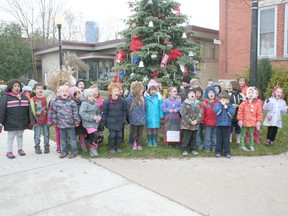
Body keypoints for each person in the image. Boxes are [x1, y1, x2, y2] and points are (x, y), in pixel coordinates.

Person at [0, 79, 34, 159]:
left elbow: (29, 111)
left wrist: (30, 122)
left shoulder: (24, 97)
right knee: (11, 137)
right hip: (10, 122)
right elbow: (2, 110)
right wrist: (1, 123)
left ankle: (20, 149)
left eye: (18, 86)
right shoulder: (6, 98)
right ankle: (9, 151)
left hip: (22, 122)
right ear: (10, 87)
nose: (17, 88)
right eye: (15, 86)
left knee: (20, 135)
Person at [52, 86, 81, 159]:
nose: (64, 93)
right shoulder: (56, 102)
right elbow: (54, 113)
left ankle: (74, 151)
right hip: (61, 125)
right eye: (63, 91)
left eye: (66, 91)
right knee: (63, 139)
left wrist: (77, 121)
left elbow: (75, 113)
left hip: (70, 124)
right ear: (60, 93)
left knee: (72, 139)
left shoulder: (72, 102)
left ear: (69, 93)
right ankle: (64, 151)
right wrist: (55, 121)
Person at [102, 82, 127, 153]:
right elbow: (104, 113)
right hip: (110, 122)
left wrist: (124, 119)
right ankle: (111, 147)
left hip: (119, 121)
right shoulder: (107, 102)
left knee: (119, 135)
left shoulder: (123, 101)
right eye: (115, 91)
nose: (117, 92)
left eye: (118, 91)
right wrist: (104, 121)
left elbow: (124, 111)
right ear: (110, 92)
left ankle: (118, 147)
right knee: (112, 135)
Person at [237, 87, 263, 151]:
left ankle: (251, 145)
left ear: (254, 94)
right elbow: (240, 112)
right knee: (243, 134)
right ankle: (242, 145)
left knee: (251, 134)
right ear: (247, 94)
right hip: (244, 122)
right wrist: (240, 120)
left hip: (252, 122)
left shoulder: (257, 104)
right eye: (249, 92)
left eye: (252, 93)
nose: (251, 94)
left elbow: (259, 113)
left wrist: (258, 121)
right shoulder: (243, 103)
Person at [180, 88, 203, 156]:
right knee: (186, 137)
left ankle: (193, 149)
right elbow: (183, 113)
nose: (192, 94)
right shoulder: (185, 103)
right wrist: (190, 121)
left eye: (193, 93)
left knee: (194, 137)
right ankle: (184, 149)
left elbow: (201, 112)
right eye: (190, 93)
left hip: (195, 124)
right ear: (187, 95)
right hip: (186, 124)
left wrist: (197, 120)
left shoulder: (198, 103)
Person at [79, 89, 102, 157]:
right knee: (96, 135)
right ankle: (93, 148)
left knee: (93, 136)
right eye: (90, 96)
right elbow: (82, 113)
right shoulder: (84, 103)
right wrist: (92, 117)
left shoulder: (95, 103)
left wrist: (98, 117)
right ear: (86, 97)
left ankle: (91, 150)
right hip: (88, 123)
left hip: (95, 123)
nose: (92, 97)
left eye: (93, 96)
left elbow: (98, 112)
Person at [213, 91, 235, 158]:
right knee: (219, 139)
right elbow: (215, 111)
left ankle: (227, 152)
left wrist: (227, 108)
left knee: (226, 140)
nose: (225, 101)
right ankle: (218, 152)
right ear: (220, 100)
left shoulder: (230, 106)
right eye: (223, 99)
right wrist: (222, 107)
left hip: (227, 125)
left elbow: (232, 113)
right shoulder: (217, 105)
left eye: (226, 100)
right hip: (219, 125)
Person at [30, 83, 51, 154]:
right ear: (34, 91)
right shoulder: (32, 100)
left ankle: (47, 147)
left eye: (41, 88)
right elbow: (30, 112)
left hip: (45, 121)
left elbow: (50, 111)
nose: (40, 90)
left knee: (46, 134)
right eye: (38, 88)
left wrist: (50, 120)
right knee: (37, 135)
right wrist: (33, 122)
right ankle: (37, 147)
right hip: (37, 122)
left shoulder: (47, 99)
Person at [126, 81, 146, 150]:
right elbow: (128, 109)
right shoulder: (130, 99)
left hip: (142, 120)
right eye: (141, 90)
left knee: (140, 133)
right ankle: (134, 142)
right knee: (134, 133)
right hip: (134, 120)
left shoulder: (143, 98)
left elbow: (146, 107)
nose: (142, 91)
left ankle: (139, 144)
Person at [145, 79, 164, 147]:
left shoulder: (158, 97)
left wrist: (161, 114)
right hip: (149, 115)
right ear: (149, 90)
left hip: (156, 115)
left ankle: (154, 140)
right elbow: (144, 107)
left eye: (154, 89)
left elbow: (160, 106)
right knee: (149, 128)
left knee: (155, 128)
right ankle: (150, 140)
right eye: (151, 89)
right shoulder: (145, 97)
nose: (153, 91)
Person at [69, 86, 88, 152]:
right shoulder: (71, 102)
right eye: (76, 94)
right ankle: (73, 146)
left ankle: (83, 145)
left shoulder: (83, 101)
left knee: (82, 133)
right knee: (73, 134)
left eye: (79, 93)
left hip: (81, 121)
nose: (78, 95)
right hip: (73, 121)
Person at [202, 86, 219, 152]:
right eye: (209, 92)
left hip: (216, 122)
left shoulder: (218, 103)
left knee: (215, 136)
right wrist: (203, 120)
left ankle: (214, 147)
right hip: (207, 123)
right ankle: (207, 147)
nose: (211, 94)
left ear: (215, 94)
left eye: (212, 92)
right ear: (206, 94)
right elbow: (202, 113)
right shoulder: (204, 103)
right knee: (207, 136)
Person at [47, 86, 61, 152]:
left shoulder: (66, 100)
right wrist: (49, 121)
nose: (59, 94)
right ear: (55, 93)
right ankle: (58, 146)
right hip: (56, 120)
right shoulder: (53, 101)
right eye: (58, 92)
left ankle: (64, 145)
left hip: (64, 121)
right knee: (57, 133)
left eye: (60, 92)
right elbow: (50, 111)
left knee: (63, 134)